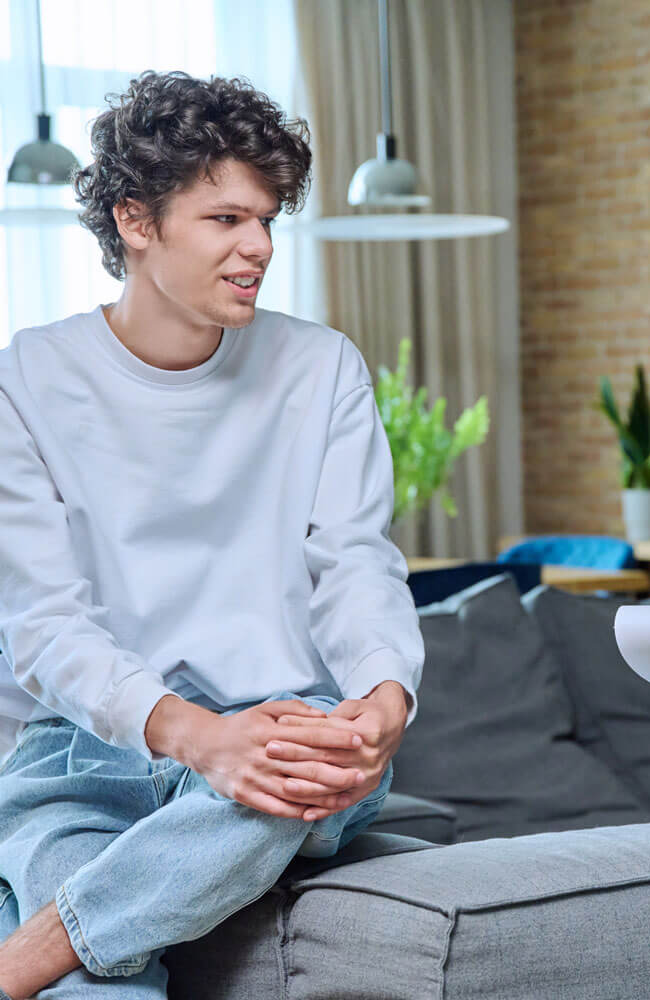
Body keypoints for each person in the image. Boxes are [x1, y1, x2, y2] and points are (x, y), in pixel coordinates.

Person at [0, 70, 423, 999]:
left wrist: (386, 693)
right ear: (136, 222)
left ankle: (29, 954)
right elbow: (43, 626)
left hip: (285, 725)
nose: (259, 246)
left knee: (293, 773)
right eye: (225, 219)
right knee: (102, 986)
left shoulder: (321, 368)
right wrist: (196, 737)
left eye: (267, 219)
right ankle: (82, 947)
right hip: (85, 752)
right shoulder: (28, 378)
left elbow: (355, 563)